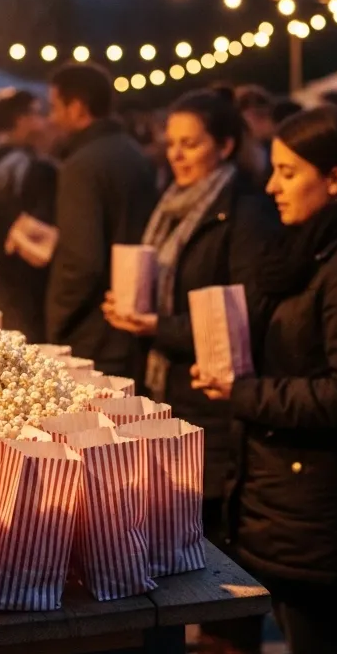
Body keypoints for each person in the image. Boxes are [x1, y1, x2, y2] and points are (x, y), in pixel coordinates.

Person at [192, 106, 337, 654]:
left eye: (287, 172)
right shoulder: (307, 251)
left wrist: (244, 391)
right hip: (287, 493)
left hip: (321, 503)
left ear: (334, 179)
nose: (271, 185)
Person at [102, 90, 279, 518]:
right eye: (172, 143)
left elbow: (245, 315)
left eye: (191, 144)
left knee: (200, 528)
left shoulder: (245, 212)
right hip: (165, 384)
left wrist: (156, 326)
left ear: (225, 146)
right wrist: (129, 303)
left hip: (210, 400)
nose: (177, 155)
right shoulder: (168, 204)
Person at [43, 63, 155, 376]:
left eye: (54, 107)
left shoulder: (82, 165)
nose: (51, 118)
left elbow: (82, 261)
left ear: (77, 108)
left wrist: (57, 321)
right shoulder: (133, 152)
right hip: (130, 319)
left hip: (93, 330)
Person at [0, 90, 58, 341]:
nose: (46, 122)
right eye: (39, 114)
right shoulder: (30, 165)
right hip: (21, 278)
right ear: (20, 119)